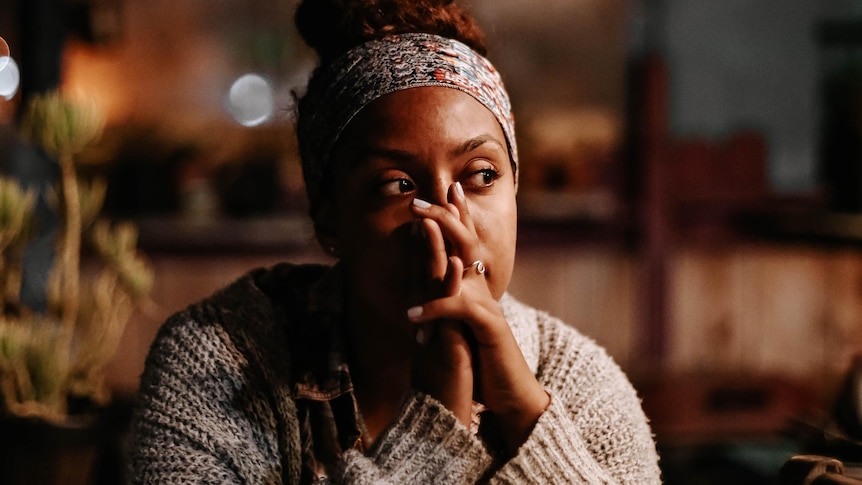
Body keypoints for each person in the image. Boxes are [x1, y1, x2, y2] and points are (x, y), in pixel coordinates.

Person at [127, 0, 662, 483]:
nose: (448, 221)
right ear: (330, 218)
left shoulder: (577, 382)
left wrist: (525, 412)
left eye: (481, 175)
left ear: (516, 189)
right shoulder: (217, 363)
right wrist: (435, 429)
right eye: (397, 186)